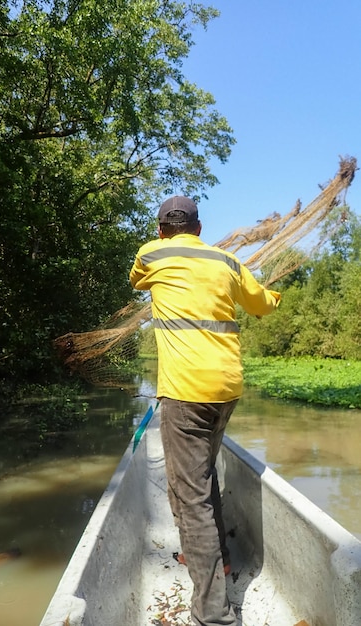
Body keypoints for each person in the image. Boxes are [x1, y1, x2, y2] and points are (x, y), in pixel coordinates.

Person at [129, 195, 281, 626]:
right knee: (203, 475)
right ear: (199, 228)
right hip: (225, 389)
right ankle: (223, 563)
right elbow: (261, 305)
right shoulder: (228, 263)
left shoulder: (151, 252)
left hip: (185, 392)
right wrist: (274, 296)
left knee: (190, 497)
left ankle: (213, 615)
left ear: (161, 229)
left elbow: (137, 280)